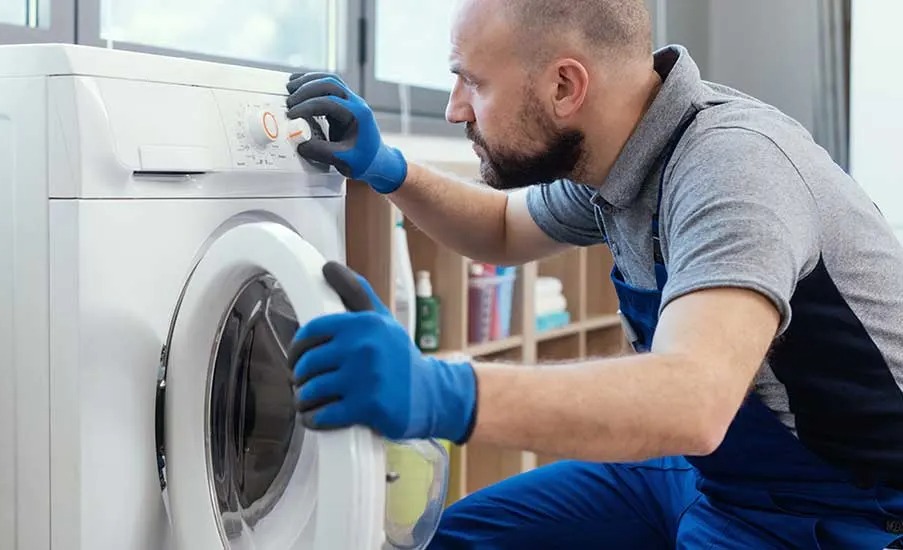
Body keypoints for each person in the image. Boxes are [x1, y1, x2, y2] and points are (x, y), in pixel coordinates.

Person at [283, 0, 903, 547]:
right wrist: (387, 168)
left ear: (565, 86)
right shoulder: (621, 150)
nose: (453, 109)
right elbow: (501, 227)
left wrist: (440, 391)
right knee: (454, 541)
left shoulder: (734, 169)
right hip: (706, 470)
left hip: (843, 511)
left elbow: (693, 400)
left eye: (473, 81)